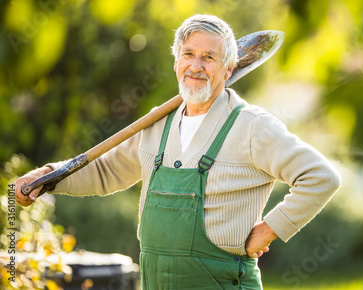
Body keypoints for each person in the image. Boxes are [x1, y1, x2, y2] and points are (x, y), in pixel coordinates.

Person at [15, 14, 341, 289]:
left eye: (209, 57)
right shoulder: (158, 124)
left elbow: (320, 177)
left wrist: (268, 230)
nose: (196, 66)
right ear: (176, 63)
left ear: (229, 70)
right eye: (188, 54)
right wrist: (48, 176)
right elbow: (105, 171)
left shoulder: (252, 126)